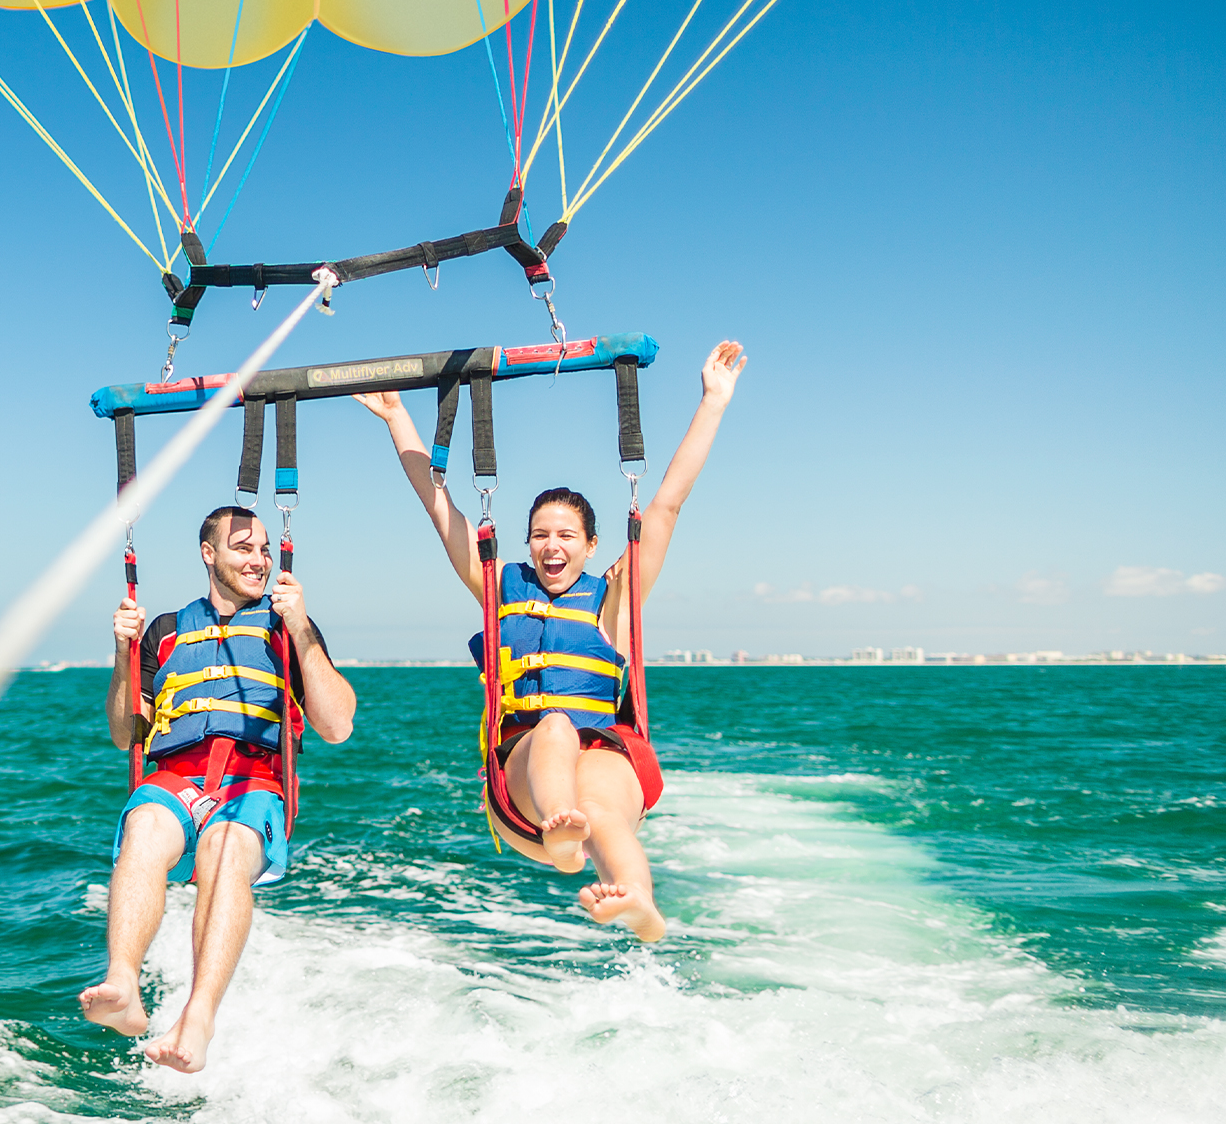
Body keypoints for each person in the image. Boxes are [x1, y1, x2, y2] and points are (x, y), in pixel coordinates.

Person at [356, 340, 746, 943]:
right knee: (557, 730)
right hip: (520, 788)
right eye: (540, 534)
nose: (551, 546)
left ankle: (637, 899)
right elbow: (440, 506)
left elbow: (665, 507)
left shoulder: (613, 599)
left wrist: (713, 403)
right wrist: (397, 418)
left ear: (591, 546)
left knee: (609, 814)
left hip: (605, 761)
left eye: (566, 535)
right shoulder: (499, 584)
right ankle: (564, 834)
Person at [79, 505, 357, 1072]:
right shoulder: (165, 630)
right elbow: (123, 733)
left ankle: (198, 1018)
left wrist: (301, 625)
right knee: (144, 825)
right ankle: (123, 984)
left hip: (253, 781)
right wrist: (121, 653)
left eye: (263, 551)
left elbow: (337, 725)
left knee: (224, 848)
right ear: (209, 555)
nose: (258, 561)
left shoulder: (285, 625)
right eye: (243, 549)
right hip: (176, 777)